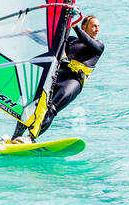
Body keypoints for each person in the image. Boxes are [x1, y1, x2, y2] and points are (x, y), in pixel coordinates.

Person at [10, 14, 103, 142]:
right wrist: (30, 33)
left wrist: (74, 26)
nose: (97, 29)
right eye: (94, 26)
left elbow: (88, 41)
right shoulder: (70, 40)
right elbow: (50, 43)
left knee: (52, 108)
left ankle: (30, 138)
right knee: (33, 105)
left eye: (98, 26)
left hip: (73, 82)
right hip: (58, 76)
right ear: (84, 27)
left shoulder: (98, 46)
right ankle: (14, 138)